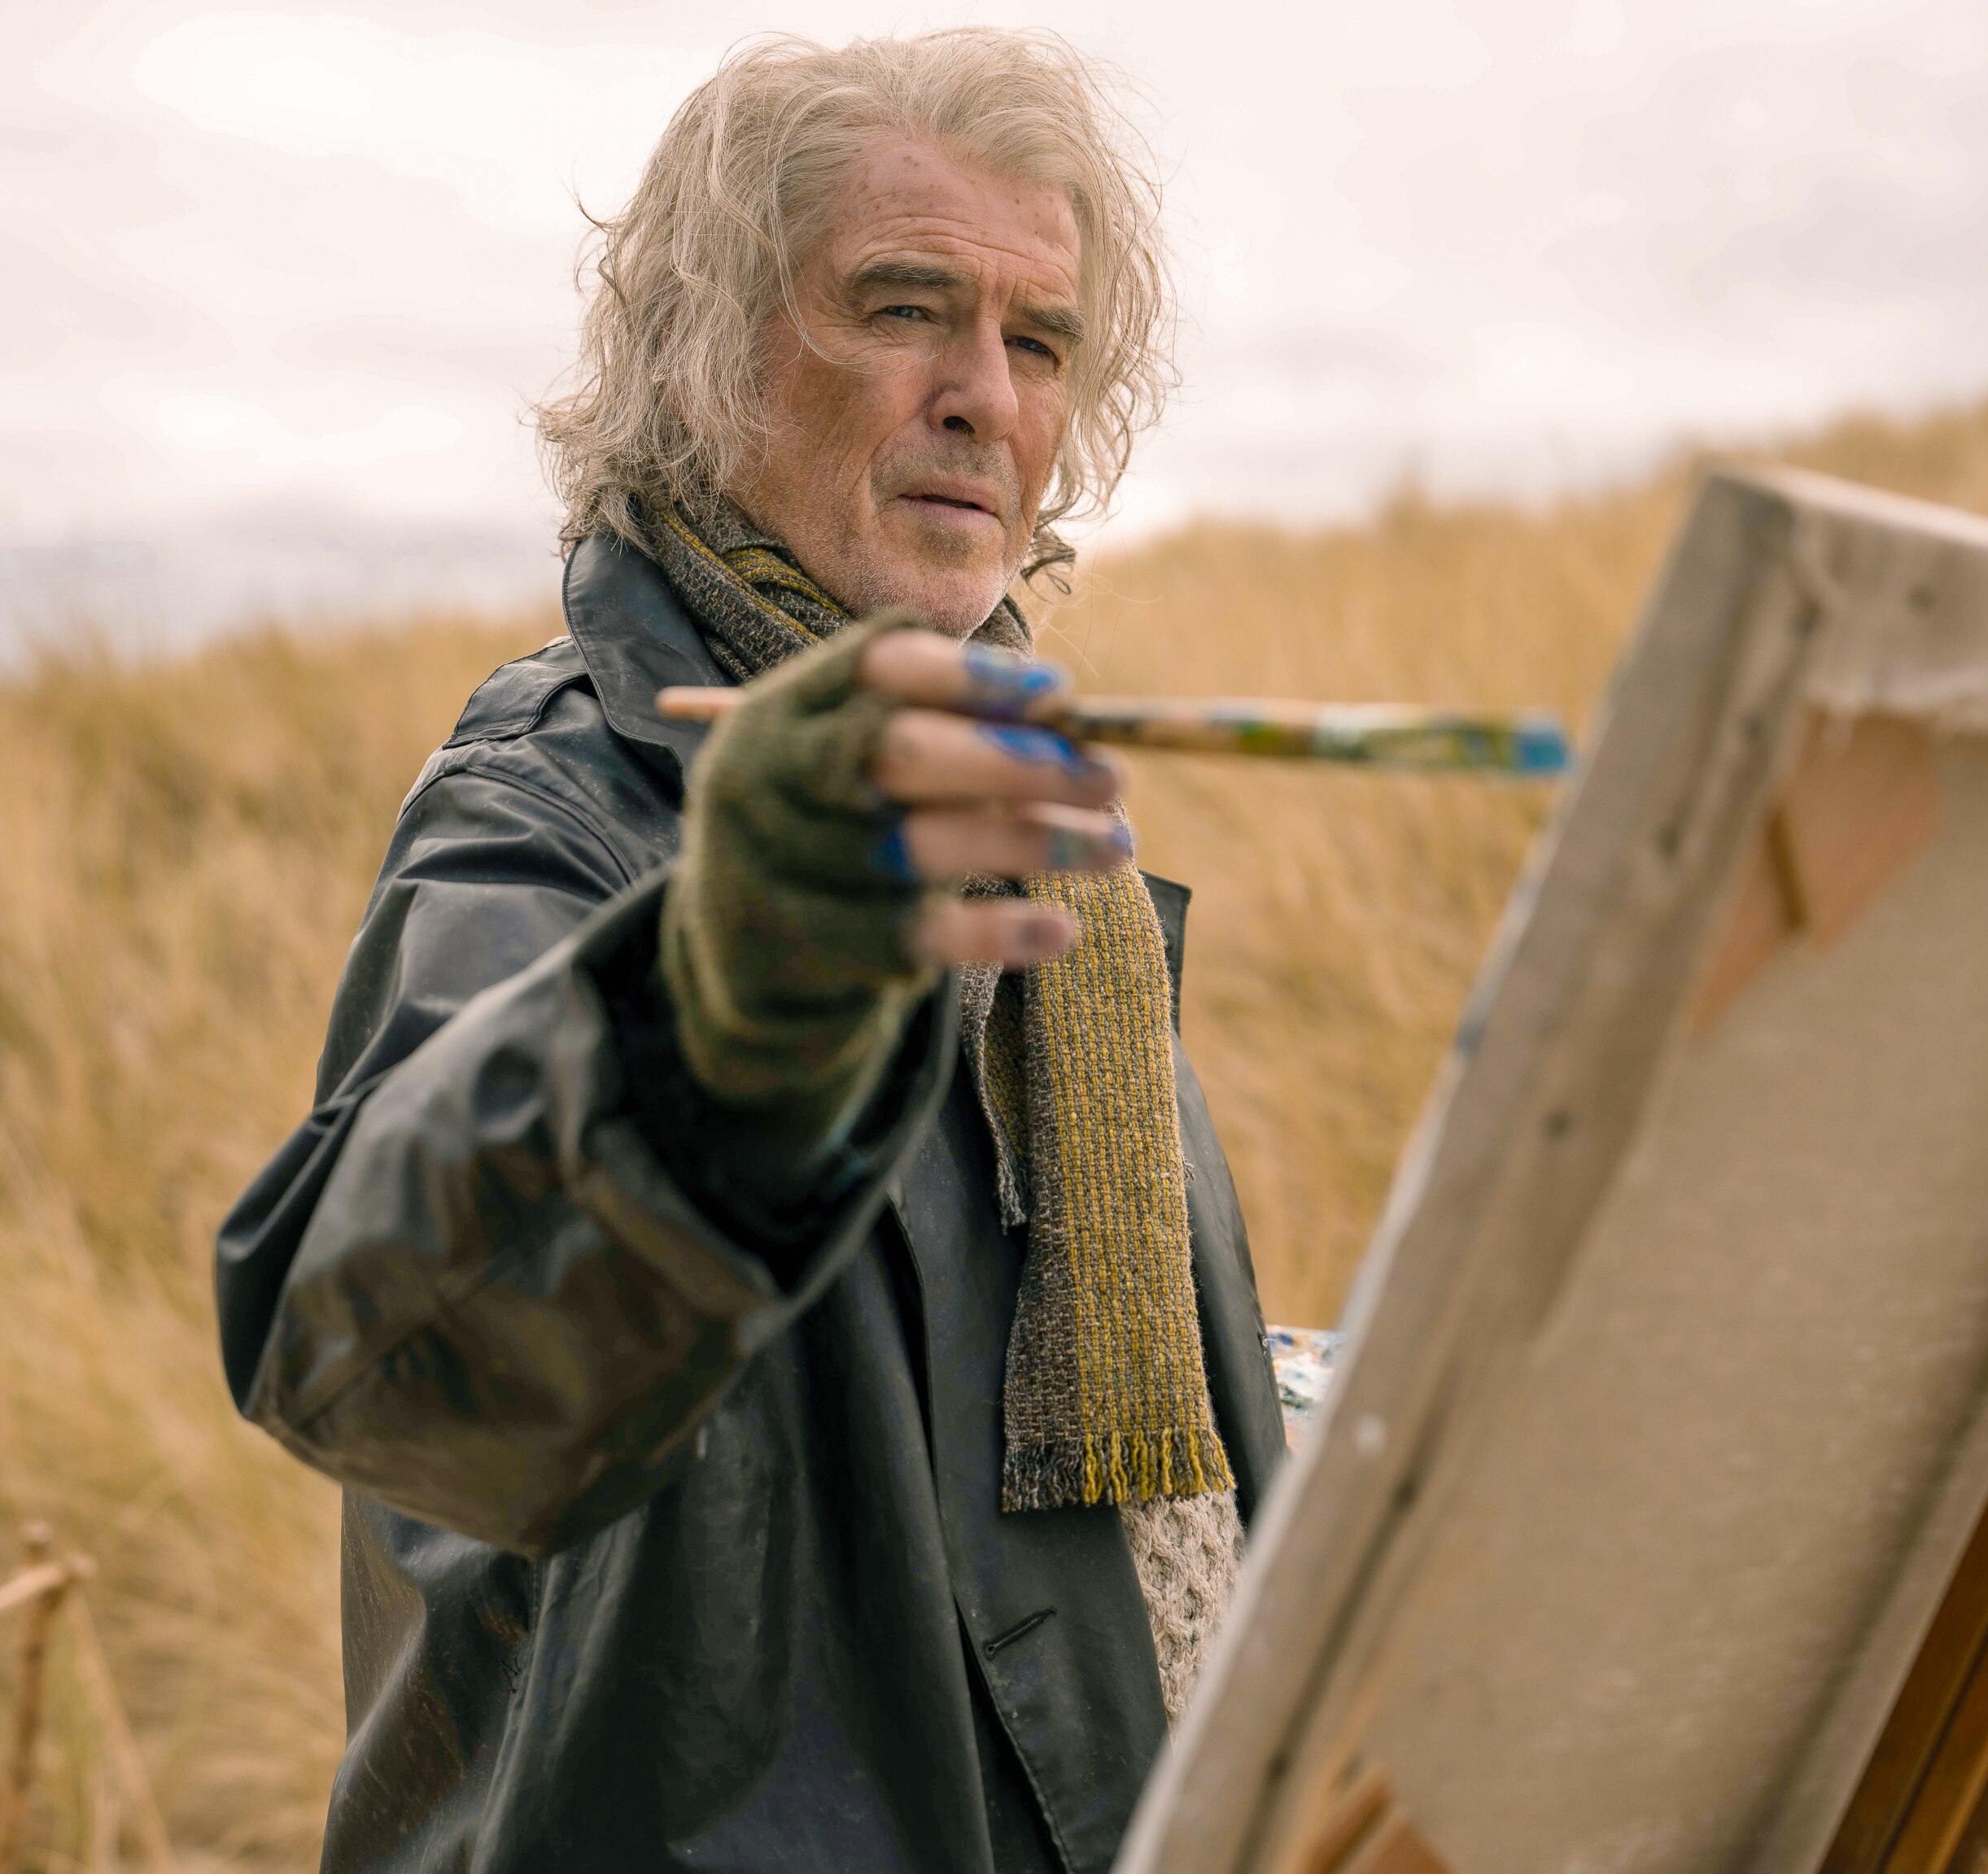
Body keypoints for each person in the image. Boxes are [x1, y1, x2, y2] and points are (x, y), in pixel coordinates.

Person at [214, 28, 1283, 1873]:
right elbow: (389, 1372)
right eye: (899, 307)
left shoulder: (1011, 809)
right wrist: (731, 984)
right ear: (705, 354)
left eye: (1036, 341)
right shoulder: (566, 804)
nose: (981, 397)